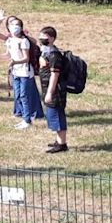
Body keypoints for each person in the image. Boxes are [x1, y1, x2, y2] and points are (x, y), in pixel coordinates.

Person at [0, 12, 43, 129]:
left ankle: (27, 120)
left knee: (24, 96)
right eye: (12, 25)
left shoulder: (24, 41)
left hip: (25, 72)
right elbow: (9, 54)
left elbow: (26, 59)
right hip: (15, 72)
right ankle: (24, 118)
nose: (15, 27)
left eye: (17, 25)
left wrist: (15, 62)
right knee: (19, 95)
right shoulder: (10, 40)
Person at [38, 26, 69, 154]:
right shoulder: (46, 51)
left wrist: (50, 93)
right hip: (47, 87)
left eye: (45, 37)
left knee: (57, 116)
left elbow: (54, 75)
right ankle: (58, 140)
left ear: (52, 39)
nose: (42, 39)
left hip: (55, 90)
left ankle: (62, 144)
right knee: (52, 115)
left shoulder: (54, 55)